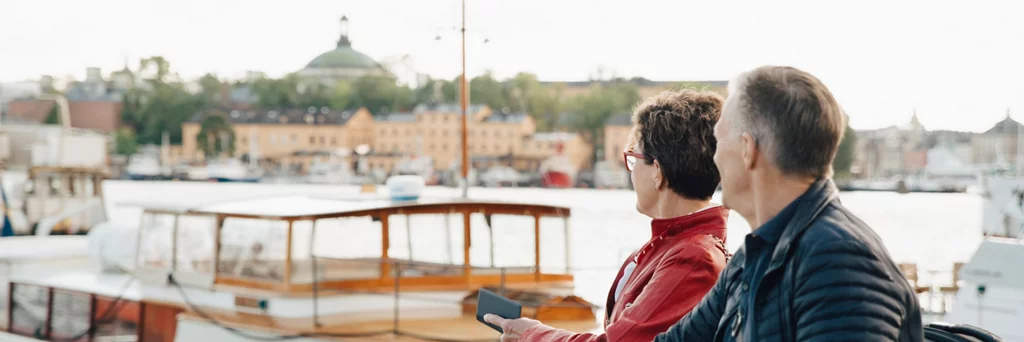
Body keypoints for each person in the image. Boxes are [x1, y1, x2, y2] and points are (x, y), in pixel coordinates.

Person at [656, 66, 923, 341]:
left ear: (747, 149)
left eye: (718, 141)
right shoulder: (751, 258)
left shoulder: (838, 261)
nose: (714, 157)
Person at [485, 89, 731, 342]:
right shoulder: (675, 246)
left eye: (634, 159)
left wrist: (532, 335)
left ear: (657, 171)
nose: (631, 172)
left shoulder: (692, 257)